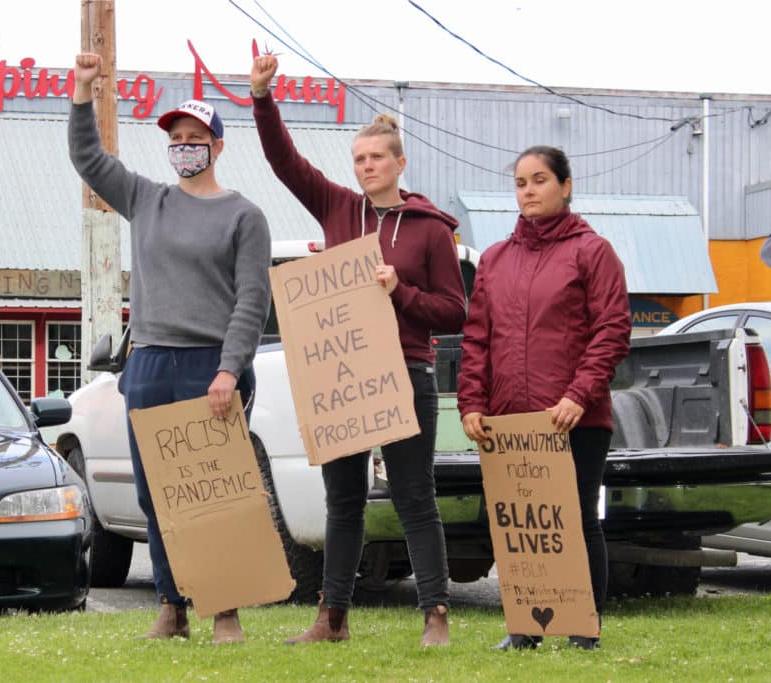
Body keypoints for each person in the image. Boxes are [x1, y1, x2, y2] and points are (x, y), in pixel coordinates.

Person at [250, 54, 467, 648]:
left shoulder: (430, 230)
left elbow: (454, 312)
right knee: (341, 500)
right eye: (359, 160)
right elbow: (285, 164)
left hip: (406, 372)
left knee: (412, 496)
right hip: (343, 375)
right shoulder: (340, 209)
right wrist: (264, 99)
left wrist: (404, 292)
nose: (367, 167)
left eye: (376, 158)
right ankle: (332, 618)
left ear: (400, 163)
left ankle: (435, 616)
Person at [69, 53, 271, 644]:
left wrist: (231, 371)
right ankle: (171, 604)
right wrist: (83, 92)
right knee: (156, 492)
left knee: (216, 491)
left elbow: (251, 302)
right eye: (177, 139)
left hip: (211, 366)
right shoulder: (145, 199)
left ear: (217, 146)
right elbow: (88, 158)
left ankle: (225, 607)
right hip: (150, 361)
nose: (184, 147)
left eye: (195, 138)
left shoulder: (244, 216)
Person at [457, 146, 632, 651]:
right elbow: (478, 339)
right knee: (520, 526)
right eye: (520, 183)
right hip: (511, 421)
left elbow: (613, 330)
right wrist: (472, 402)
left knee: (575, 521)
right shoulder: (494, 258)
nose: (528, 191)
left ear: (566, 185)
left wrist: (580, 394)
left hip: (575, 418)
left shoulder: (592, 251)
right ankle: (525, 629)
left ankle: (584, 631)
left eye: (539, 180)